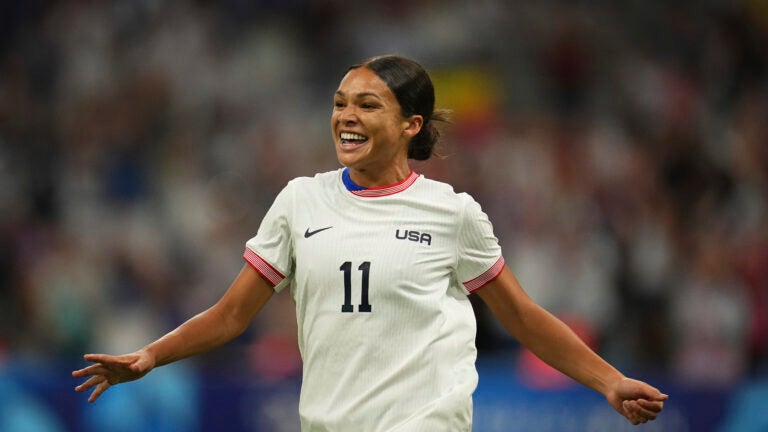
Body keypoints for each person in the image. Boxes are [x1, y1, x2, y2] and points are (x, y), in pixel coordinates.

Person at [73, 54, 667, 430]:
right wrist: (150, 356)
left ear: (410, 124)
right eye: (338, 104)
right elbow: (232, 315)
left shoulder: (452, 213)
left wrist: (609, 381)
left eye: (366, 104)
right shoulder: (300, 201)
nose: (345, 117)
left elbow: (525, 317)